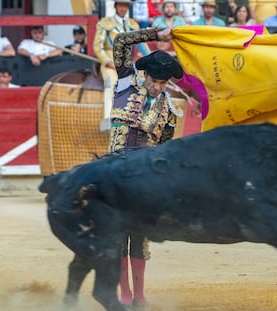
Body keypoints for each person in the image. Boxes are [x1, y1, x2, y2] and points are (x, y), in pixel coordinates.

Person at [110, 26, 183, 306]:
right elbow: (121, 41)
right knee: (118, 234)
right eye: (155, 80)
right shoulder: (125, 83)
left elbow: (164, 152)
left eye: (164, 83)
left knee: (139, 236)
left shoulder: (169, 111)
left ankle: (139, 295)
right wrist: (155, 34)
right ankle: (124, 295)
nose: (158, 87)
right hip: (114, 173)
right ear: (145, 74)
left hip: (143, 178)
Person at [93, 0, 140, 93]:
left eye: (125, 6)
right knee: (112, 85)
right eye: (120, 6)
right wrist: (107, 62)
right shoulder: (105, 22)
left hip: (127, 63)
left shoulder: (132, 24)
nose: (123, 9)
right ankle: (109, 107)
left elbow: (142, 45)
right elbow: (97, 46)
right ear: (115, 6)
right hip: (110, 62)